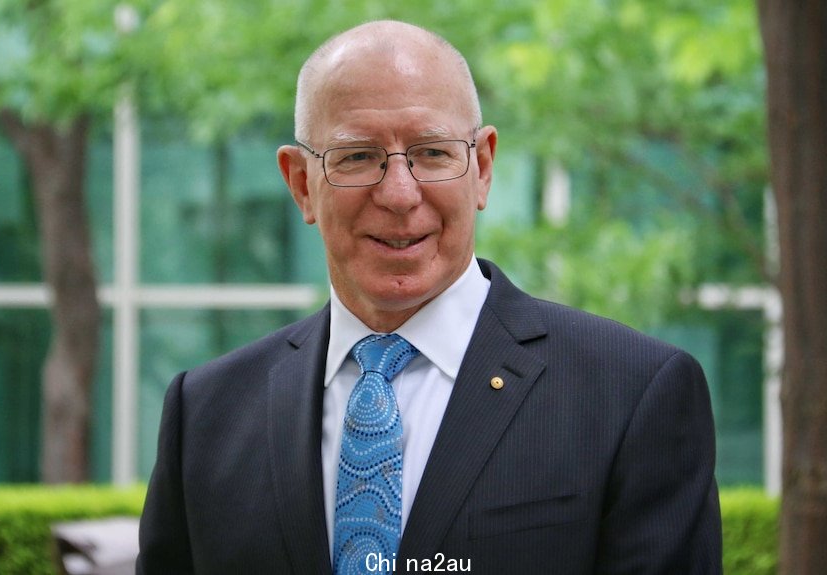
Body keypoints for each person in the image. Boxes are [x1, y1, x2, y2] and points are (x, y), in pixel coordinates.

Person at [137, 19, 722, 575]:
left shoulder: (631, 394)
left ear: (483, 167)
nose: (398, 193)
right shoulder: (207, 413)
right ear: (300, 184)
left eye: (432, 153)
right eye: (358, 156)